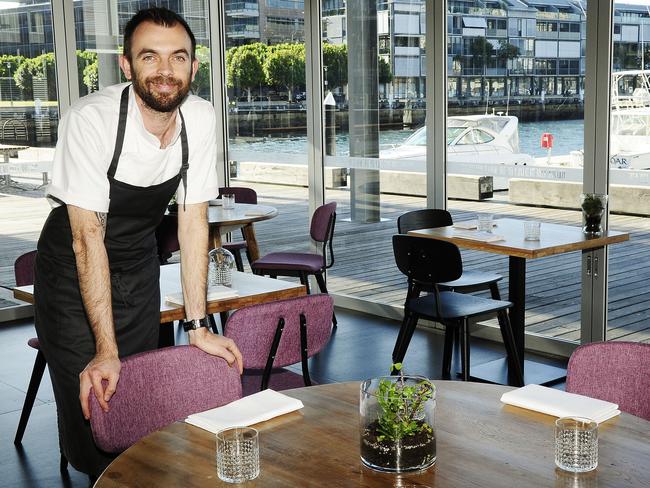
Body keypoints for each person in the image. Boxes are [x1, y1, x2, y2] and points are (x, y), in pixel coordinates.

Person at [33, 7, 242, 479]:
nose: (165, 71)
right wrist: (104, 348)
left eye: (178, 57)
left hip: (138, 264)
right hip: (71, 269)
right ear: (127, 66)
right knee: (97, 397)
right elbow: (87, 238)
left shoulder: (201, 118)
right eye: (150, 57)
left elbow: (193, 221)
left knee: (141, 402)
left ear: (193, 66)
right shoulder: (91, 120)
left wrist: (199, 326)